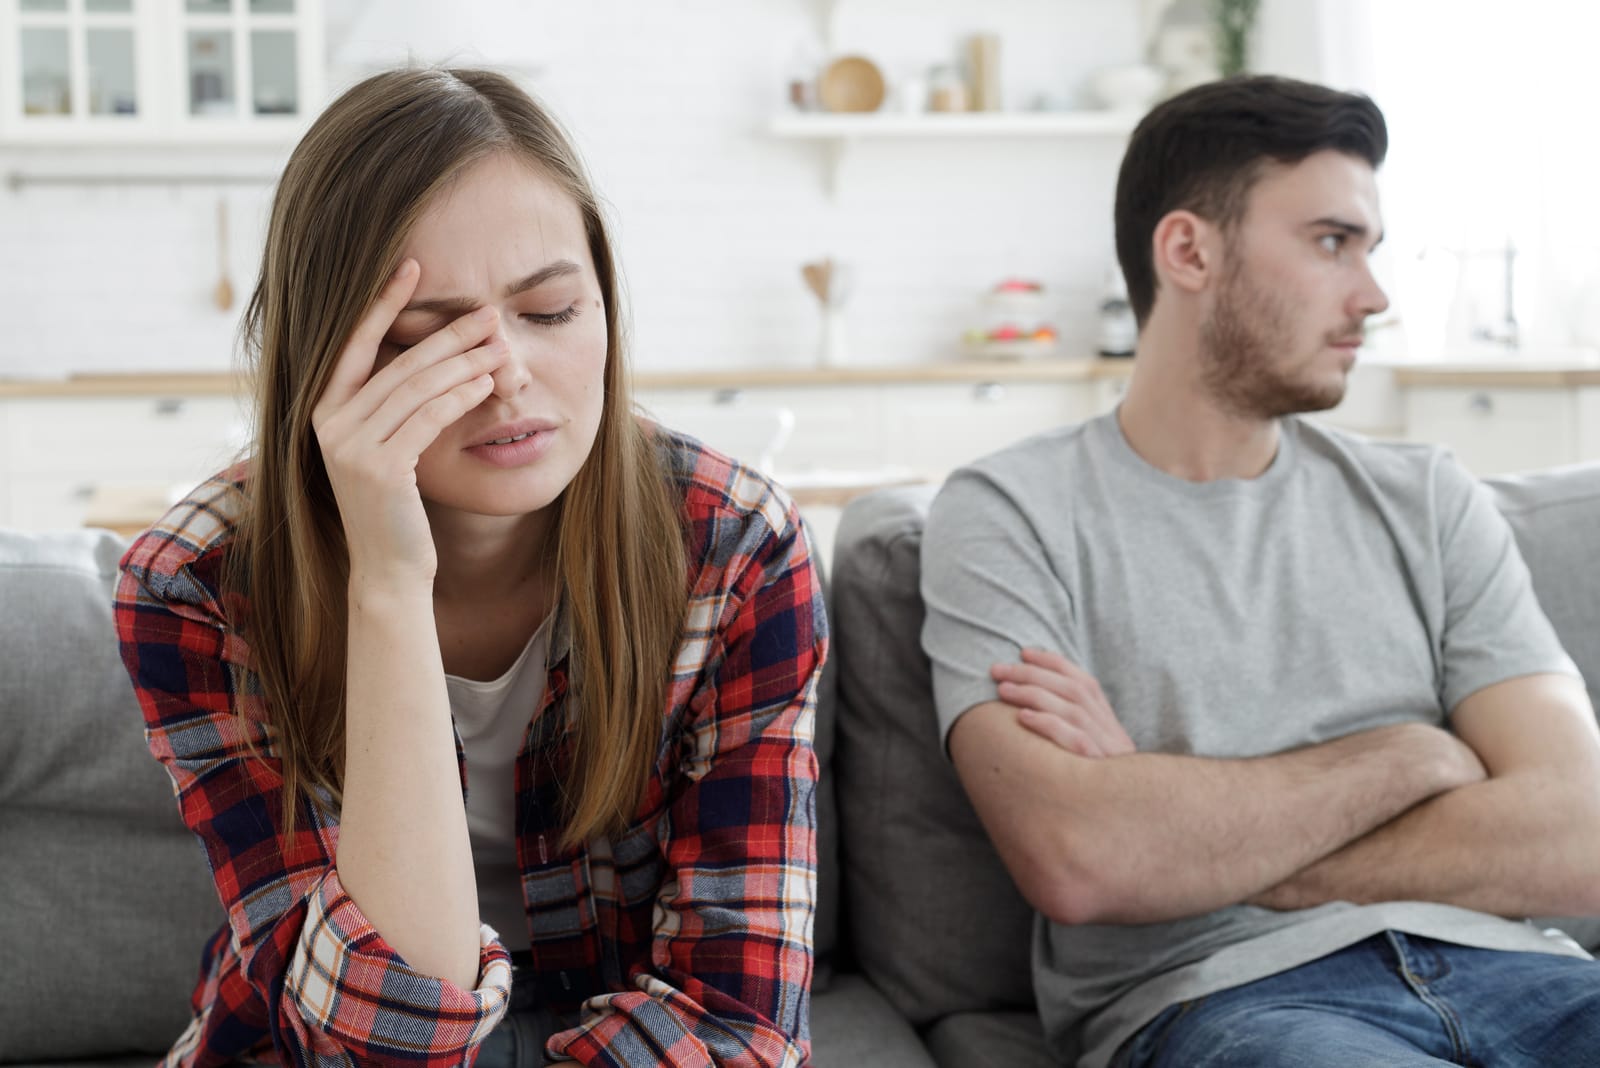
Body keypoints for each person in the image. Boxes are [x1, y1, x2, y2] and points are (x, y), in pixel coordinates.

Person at [114, 67, 824, 1068]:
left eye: (550, 312)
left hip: (628, 1027)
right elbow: (362, 1043)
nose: (510, 378)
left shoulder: (735, 542)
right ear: (327, 358)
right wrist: (389, 586)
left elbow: (738, 1018)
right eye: (428, 337)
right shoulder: (192, 584)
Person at [921, 75, 1600, 1068]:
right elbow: (1083, 859)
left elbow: (1580, 835)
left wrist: (1187, 829)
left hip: (1526, 972)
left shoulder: (1428, 499)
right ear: (1190, 250)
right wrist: (1413, 756)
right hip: (1231, 1002)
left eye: (1368, 249)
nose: (1372, 294)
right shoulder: (1008, 512)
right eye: (1332, 243)